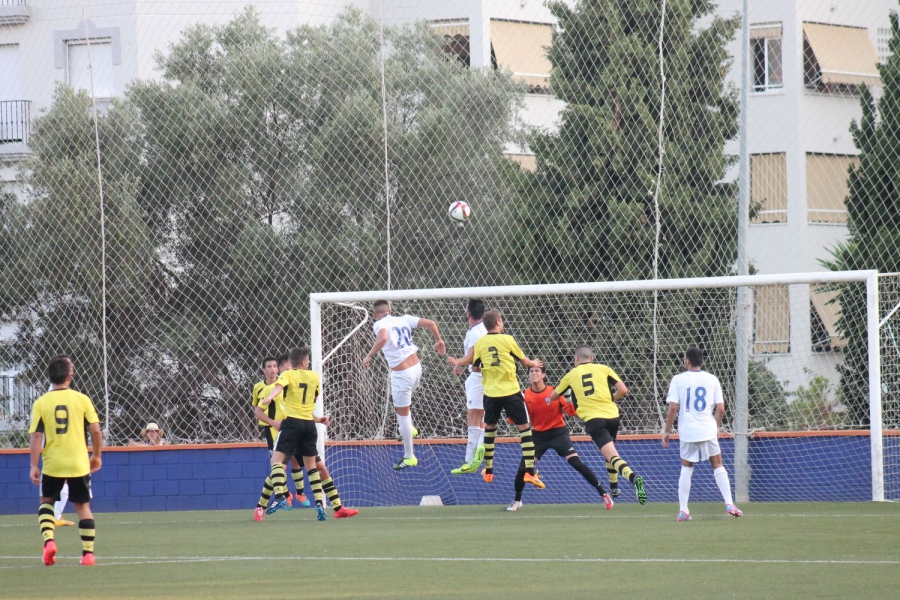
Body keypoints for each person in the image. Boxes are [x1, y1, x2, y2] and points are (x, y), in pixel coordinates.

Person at [259, 347, 358, 520]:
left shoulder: (287, 376)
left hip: (291, 426)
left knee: (276, 463)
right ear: (305, 362)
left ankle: (282, 496)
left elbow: (278, 388)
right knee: (313, 467)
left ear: (291, 364)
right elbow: (312, 399)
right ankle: (320, 504)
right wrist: (318, 419)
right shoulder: (314, 376)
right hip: (308, 426)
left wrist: (269, 397)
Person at [455, 309, 544, 488]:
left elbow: (476, 367)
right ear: (498, 323)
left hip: (491, 394)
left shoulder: (480, 343)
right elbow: (524, 361)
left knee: (489, 431)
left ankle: (488, 471)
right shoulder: (508, 339)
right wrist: (534, 363)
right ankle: (529, 471)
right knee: (525, 430)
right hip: (511, 391)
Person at [507, 364, 614, 511]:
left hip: (558, 433)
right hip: (538, 436)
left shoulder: (554, 392)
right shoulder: (525, 396)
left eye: (537, 371)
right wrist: (512, 410)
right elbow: (515, 418)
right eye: (531, 371)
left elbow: (570, 412)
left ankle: (603, 493)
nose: (534, 373)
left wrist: (570, 401)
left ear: (543, 375)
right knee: (523, 468)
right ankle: (517, 500)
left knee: (576, 463)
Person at [549, 345, 647, 504]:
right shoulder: (604, 368)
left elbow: (553, 396)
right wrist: (611, 398)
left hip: (595, 420)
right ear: (592, 359)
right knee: (610, 451)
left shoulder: (571, 374)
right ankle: (614, 487)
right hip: (613, 416)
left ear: (576, 359)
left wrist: (568, 395)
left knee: (612, 455)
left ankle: (633, 477)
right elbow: (623, 390)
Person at [28, 355, 102, 566]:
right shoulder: (82, 399)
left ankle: (49, 542)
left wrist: (34, 465)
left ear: (49, 376)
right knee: (83, 506)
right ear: (70, 375)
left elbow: (36, 436)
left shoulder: (41, 402)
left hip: (53, 463)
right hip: (79, 462)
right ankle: (88, 554)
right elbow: (96, 430)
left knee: (46, 503)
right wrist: (96, 455)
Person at [362, 300, 446, 470]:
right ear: (390, 310)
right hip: (416, 369)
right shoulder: (404, 319)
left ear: (374, 314)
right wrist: (438, 340)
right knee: (404, 411)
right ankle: (409, 429)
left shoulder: (379, 324)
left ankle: (409, 456)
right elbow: (431, 323)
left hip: (402, 374)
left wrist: (370, 354)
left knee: (402, 415)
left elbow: (384, 337)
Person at [662, 348, 742, 521]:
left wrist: (667, 431)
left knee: (686, 467)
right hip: (707, 429)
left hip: (688, 431)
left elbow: (673, 407)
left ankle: (683, 510)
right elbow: (720, 408)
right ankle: (729, 503)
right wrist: (717, 426)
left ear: (687, 361)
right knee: (718, 464)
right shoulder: (712, 379)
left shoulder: (678, 379)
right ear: (701, 362)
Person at [251, 355, 309, 520]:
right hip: (272, 430)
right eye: (268, 366)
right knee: (278, 469)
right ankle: (267, 503)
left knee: (296, 462)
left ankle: (297, 493)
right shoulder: (260, 388)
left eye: (274, 366)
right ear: (264, 370)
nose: (272, 369)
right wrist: (273, 423)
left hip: (290, 429)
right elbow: (257, 410)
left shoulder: (286, 385)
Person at [446, 299, 487, 475]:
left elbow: (472, 357)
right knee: (481, 416)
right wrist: (461, 364)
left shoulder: (476, 332)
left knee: (473, 416)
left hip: (478, 378)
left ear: (468, 313)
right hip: (488, 377)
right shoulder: (484, 329)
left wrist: (457, 361)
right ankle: (479, 451)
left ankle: (472, 457)